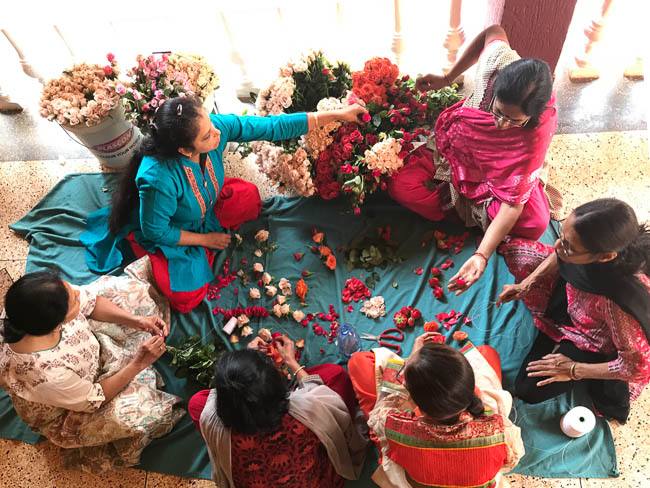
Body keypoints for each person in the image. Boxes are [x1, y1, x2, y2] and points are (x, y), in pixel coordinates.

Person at [81, 96, 367, 313]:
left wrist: (337, 115)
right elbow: (157, 232)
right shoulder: (158, 179)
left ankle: (204, 244)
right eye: (207, 136)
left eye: (210, 124)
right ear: (184, 149)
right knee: (186, 298)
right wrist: (206, 239)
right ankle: (173, 257)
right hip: (177, 228)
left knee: (250, 198)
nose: (217, 135)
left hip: (207, 204)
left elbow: (272, 127)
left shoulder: (215, 128)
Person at [388, 24, 558, 296]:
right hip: (458, 150)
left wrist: (481, 254)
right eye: (498, 112)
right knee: (399, 184)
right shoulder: (496, 63)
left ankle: (468, 209)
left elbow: (513, 206)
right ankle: (470, 210)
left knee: (535, 223)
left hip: (504, 178)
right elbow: (493, 31)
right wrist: (447, 77)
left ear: (533, 117)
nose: (501, 125)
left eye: (513, 121)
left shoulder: (535, 136)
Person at [0, 257, 183, 471]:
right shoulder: (45, 375)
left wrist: (136, 321)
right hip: (76, 403)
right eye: (73, 302)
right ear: (56, 324)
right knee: (138, 413)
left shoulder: (29, 308)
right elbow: (94, 398)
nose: (79, 294)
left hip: (85, 356)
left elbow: (92, 302)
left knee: (135, 293)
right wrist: (138, 363)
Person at [497, 198, 650, 423]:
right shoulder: (583, 249)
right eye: (561, 237)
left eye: (568, 246)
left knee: (528, 389)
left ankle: (569, 346)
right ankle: (559, 331)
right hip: (574, 302)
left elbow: (637, 367)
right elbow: (560, 255)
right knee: (518, 253)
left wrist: (574, 369)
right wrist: (526, 284)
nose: (559, 248)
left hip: (595, 337)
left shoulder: (619, 303)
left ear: (605, 257)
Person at [188, 334, 367, 488]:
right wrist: (291, 362)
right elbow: (319, 392)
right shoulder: (308, 412)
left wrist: (245, 365)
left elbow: (227, 397)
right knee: (335, 374)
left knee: (197, 404)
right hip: (320, 482)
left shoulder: (215, 425)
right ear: (279, 389)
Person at [348, 333, 524, 488]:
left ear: (416, 407)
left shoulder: (395, 426)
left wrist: (411, 359)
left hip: (414, 477)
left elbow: (383, 406)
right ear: (472, 389)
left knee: (359, 362)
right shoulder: (498, 431)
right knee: (486, 352)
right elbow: (508, 461)